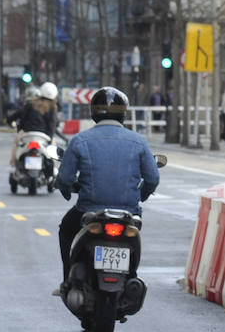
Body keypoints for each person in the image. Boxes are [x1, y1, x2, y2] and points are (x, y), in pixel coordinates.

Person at [52, 87, 160, 296]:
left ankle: (67, 280)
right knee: (133, 239)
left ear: (93, 112)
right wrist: (142, 196)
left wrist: (66, 191)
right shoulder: (138, 141)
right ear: (123, 112)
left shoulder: (79, 140)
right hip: (128, 213)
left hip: (88, 211)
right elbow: (153, 178)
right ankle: (131, 276)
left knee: (66, 230)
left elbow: (64, 179)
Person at [9, 81, 60, 164]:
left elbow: (22, 120)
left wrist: (20, 130)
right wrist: (50, 141)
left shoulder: (31, 103)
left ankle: (13, 165)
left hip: (27, 134)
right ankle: (54, 169)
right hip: (44, 137)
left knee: (16, 144)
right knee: (53, 154)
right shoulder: (52, 107)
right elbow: (52, 126)